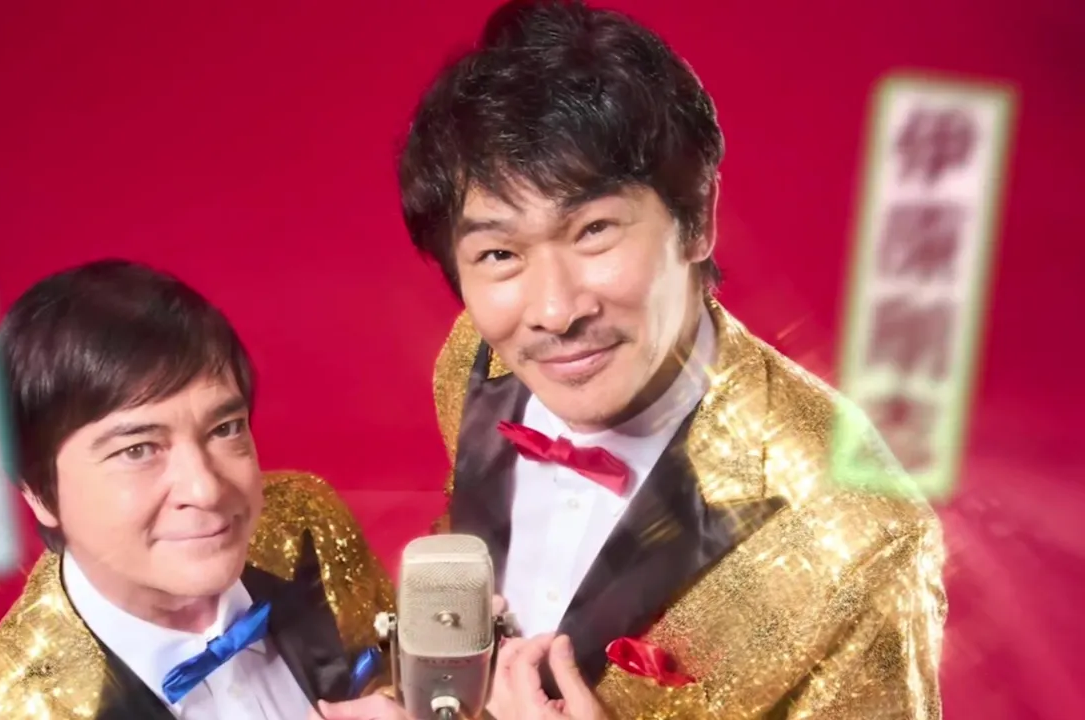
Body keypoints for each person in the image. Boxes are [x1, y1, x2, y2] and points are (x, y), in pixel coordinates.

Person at [394, 0, 946, 717]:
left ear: (697, 219)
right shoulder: (475, 360)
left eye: (593, 230)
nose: (555, 312)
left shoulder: (861, 539)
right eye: (500, 253)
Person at [0, 260, 394, 719]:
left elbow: (400, 671)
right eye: (137, 450)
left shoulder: (305, 524)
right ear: (38, 491)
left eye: (225, 428)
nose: (206, 490)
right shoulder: (9, 712)